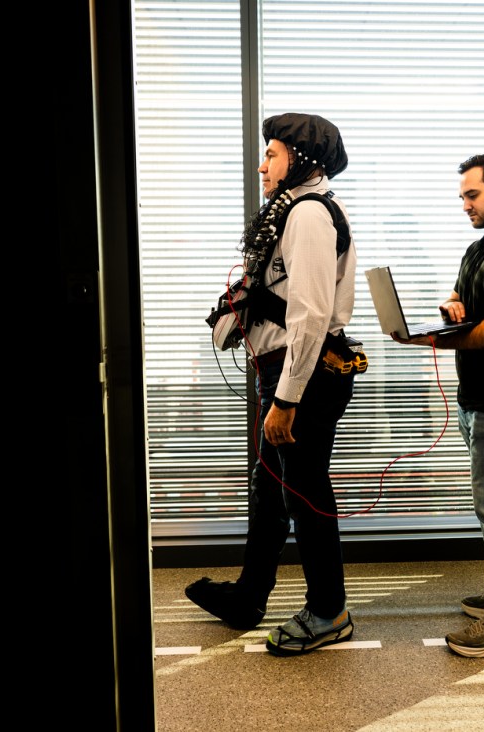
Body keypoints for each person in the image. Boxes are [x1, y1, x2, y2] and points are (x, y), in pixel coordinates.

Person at [186, 112, 362, 656]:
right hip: (285, 370)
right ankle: (249, 596)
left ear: (301, 160)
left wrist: (285, 400)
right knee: (271, 490)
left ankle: (329, 611)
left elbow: (310, 315)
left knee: (306, 493)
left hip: (300, 378)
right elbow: (283, 299)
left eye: (273, 154)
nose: (262, 166)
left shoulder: (308, 214)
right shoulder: (290, 212)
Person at [393, 152, 484, 657]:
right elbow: (462, 297)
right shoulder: (481, 247)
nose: (465, 204)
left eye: (472, 194)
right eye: (461, 196)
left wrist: (439, 341)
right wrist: (450, 311)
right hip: (477, 397)